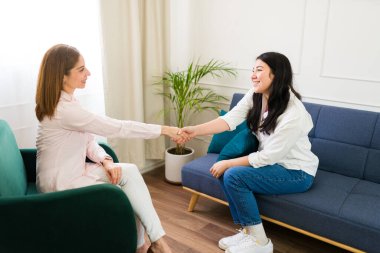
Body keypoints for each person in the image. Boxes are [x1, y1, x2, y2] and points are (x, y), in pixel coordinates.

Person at [35, 44, 182, 253]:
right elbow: (118, 127)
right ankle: (152, 244)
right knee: (127, 186)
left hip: (73, 172)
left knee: (128, 173)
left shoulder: (68, 102)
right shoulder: (64, 110)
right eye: (81, 69)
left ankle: (148, 244)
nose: (88, 73)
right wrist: (165, 129)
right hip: (60, 186)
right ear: (62, 76)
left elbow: (88, 141)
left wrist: (106, 160)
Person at [178, 52, 319, 253]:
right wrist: (194, 130)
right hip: (273, 165)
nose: (253, 75)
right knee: (225, 172)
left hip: (296, 172)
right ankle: (248, 232)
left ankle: (261, 243)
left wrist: (228, 163)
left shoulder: (293, 113)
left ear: (276, 75)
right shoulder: (256, 94)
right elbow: (230, 120)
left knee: (233, 174)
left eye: (259, 70)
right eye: (252, 70)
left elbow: (269, 156)